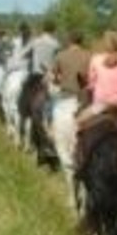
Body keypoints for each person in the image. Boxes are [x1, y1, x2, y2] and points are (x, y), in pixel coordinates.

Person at [47, 30, 92, 194]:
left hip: (65, 98)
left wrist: (57, 79)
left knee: (49, 109)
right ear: (81, 40)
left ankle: (50, 134)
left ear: (69, 40)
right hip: (84, 101)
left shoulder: (60, 56)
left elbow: (51, 77)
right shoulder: (90, 55)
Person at [77, 29, 117, 124]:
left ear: (103, 44)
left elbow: (91, 83)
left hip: (100, 103)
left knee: (77, 122)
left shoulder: (95, 59)